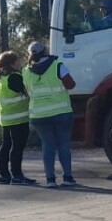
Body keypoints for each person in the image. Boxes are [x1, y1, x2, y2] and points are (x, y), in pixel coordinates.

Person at [23, 40, 78, 188]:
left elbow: (27, 91)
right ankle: (67, 178)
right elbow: (71, 84)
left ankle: (50, 179)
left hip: (38, 115)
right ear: (46, 51)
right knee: (63, 145)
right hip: (61, 112)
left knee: (48, 146)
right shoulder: (58, 65)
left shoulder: (25, 71)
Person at [0, 51, 36, 186]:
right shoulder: (14, 77)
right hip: (18, 117)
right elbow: (28, 92)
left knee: (6, 145)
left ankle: (4, 175)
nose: (20, 63)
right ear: (11, 63)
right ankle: (17, 175)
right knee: (17, 147)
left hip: (5, 117)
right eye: (17, 61)